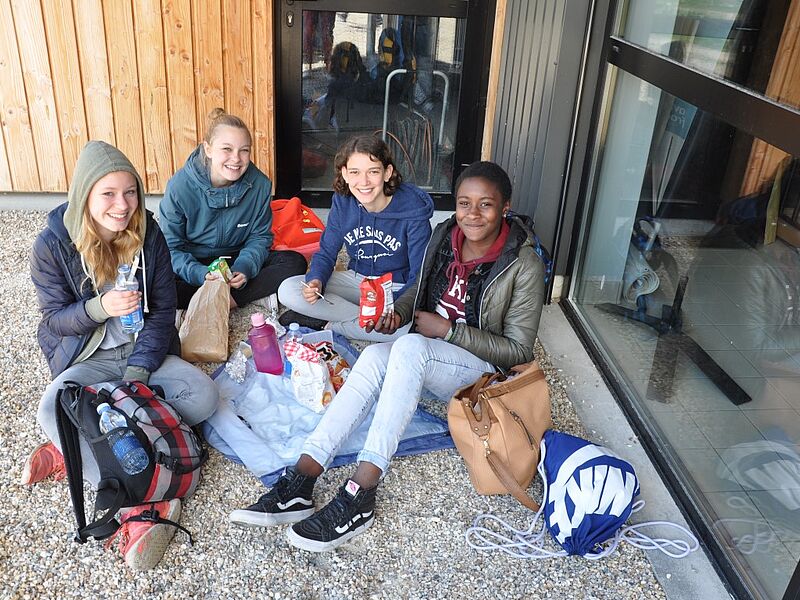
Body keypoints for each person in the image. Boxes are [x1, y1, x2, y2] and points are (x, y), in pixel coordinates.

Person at [232, 161, 549, 551]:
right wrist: (398, 312)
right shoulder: (447, 233)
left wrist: (448, 330)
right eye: (464, 203)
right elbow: (418, 286)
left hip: (480, 372)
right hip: (429, 352)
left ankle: (361, 492)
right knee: (372, 359)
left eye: (486, 204)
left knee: (409, 347)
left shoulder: (523, 263)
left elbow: (518, 352)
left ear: (505, 207)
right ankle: (303, 474)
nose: (472, 214)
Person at [24, 141, 219, 570]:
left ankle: (78, 443)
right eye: (108, 194)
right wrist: (100, 308)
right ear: (85, 195)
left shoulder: (148, 233)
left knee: (205, 397)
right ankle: (140, 506)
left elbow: (164, 311)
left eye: (130, 192)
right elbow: (55, 320)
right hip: (89, 357)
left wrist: (137, 377)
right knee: (49, 409)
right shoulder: (52, 244)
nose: (122, 205)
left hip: (141, 355)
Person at [277, 134, 433, 341]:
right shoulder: (343, 202)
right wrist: (316, 280)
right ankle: (366, 321)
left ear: (387, 173)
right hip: (357, 280)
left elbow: (419, 275)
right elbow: (326, 252)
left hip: (394, 287)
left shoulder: (413, 211)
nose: (364, 182)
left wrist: (395, 307)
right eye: (355, 172)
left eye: (373, 171)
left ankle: (328, 324)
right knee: (287, 290)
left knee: (411, 332)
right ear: (345, 174)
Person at [159, 108, 307, 310]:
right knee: (152, 282)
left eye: (244, 150)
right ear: (208, 149)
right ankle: (248, 296)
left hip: (236, 258)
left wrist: (244, 268)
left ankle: (226, 300)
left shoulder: (260, 185)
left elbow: (260, 237)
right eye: (227, 149)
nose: (236, 158)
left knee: (295, 263)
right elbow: (170, 247)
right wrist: (199, 273)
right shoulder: (179, 186)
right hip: (196, 262)